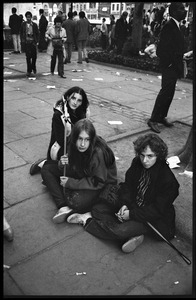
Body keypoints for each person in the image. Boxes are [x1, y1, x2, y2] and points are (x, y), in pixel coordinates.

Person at [67, 133, 180, 254]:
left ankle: (87, 221)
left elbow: (156, 210)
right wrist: (125, 204)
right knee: (97, 210)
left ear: (159, 156)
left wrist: (131, 214)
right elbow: (128, 186)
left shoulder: (168, 181)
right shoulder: (137, 162)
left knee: (119, 231)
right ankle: (132, 235)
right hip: (132, 205)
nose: (145, 160)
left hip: (149, 218)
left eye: (150, 156)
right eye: (142, 155)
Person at [41, 119, 117, 224]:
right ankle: (63, 206)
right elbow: (74, 166)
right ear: (75, 137)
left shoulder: (98, 153)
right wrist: (62, 164)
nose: (82, 144)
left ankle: (56, 187)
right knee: (46, 168)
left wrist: (71, 183)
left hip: (101, 185)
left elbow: (98, 182)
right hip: (83, 173)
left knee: (75, 201)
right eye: (80, 139)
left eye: (87, 140)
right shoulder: (73, 144)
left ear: (91, 139)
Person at [30, 87, 90, 175]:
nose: (75, 102)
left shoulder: (82, 112)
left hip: (78, 142)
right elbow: (61, 140)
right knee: (71, 163)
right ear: (68, 97)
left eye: (79, 100)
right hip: (61, 145)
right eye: (73, 98)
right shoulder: (59, 114)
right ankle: (43, 164)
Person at [147, 2, 187, 134]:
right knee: (165, 92)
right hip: (170, 66)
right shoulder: (169, 26)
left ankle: (162, 116)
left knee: (170, 93)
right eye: (181, 9)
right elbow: (161, 50)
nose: (184, 11)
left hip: (175, 66)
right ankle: (153, 119)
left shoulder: (177, 26)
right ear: (174, 12)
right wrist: (169, 63)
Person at [20, 11, 39, 77]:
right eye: (27, 17)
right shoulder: (23, 24)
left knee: (34, 57)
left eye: (29, 17)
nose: (28, 18)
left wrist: (36, 41)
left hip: (33, 42)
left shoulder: (34, 25)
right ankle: (29, 70)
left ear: (31, 17)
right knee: (28, 57)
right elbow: (21, 32)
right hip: (26, 42)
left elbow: (37, 33)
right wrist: (22, 40)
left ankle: (33, 67)